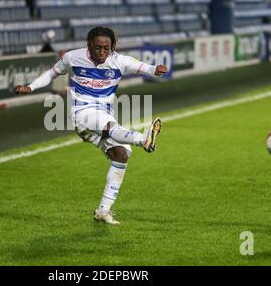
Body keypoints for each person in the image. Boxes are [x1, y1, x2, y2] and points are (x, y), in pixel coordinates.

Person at [14, 26, 167, 225]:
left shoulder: (119, 61)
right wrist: (31, 86)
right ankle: (142, 139)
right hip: (81, 114)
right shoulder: (73, 58)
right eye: (97, 48)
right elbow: (52, 73)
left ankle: (103, 211)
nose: (102, 52)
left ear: (112, 47)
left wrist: (157, 70)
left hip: (103, 115)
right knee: (109, 126)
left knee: (121, 154)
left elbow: (146, 68)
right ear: (89, 45)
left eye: (106, 48)